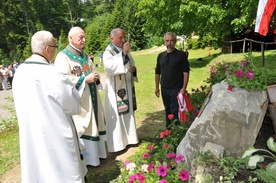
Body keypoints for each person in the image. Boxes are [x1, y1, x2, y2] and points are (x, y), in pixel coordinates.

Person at [12, 30, 87, 183]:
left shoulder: (19, 72)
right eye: (55, 46)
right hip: (55, 134)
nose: (56, 49)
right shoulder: (52, 73)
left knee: (40, 168)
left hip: (32, 133)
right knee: (61, 168)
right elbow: (72, 105)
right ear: (47, 49)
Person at [55, 26, 107, 167]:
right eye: (80, 37)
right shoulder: (63, 57)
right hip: (79, 101)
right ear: (70, 38)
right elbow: (62, 81)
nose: (84, 40)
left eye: (84, 37)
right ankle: (89, 159)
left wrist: (95, 76)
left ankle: (98, 155)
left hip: (91, 96)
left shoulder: (84, 55)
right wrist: (84, 80)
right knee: (84, 125)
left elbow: (92, 70)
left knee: (95, 122)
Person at [103, 28, 139, 152]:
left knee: (128, 114)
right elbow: (109, 68)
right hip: (115, 90)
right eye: (120, 38)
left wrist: (133, 70)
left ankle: (130, 139)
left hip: (126, 86)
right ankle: (118, 144)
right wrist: (123, 53)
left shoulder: (124, 50)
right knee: (118, 118)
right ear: (112, 38)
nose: (123, 40)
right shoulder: (108, 52)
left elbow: (131, 63)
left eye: (124, 37)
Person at [155, 32, 190, 128]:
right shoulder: (160, 56)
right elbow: (157, 72)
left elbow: (186, 73)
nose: (169, 43)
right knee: (167, 109)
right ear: (164, 42)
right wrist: (157, 87)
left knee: (175, 110)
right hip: (164, 88)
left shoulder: (181, 55)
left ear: (175, 41)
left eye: (171, 40)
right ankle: (168, 128)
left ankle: (176, 130)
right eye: (167, 41)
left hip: (176, 88)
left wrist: (183, 88)